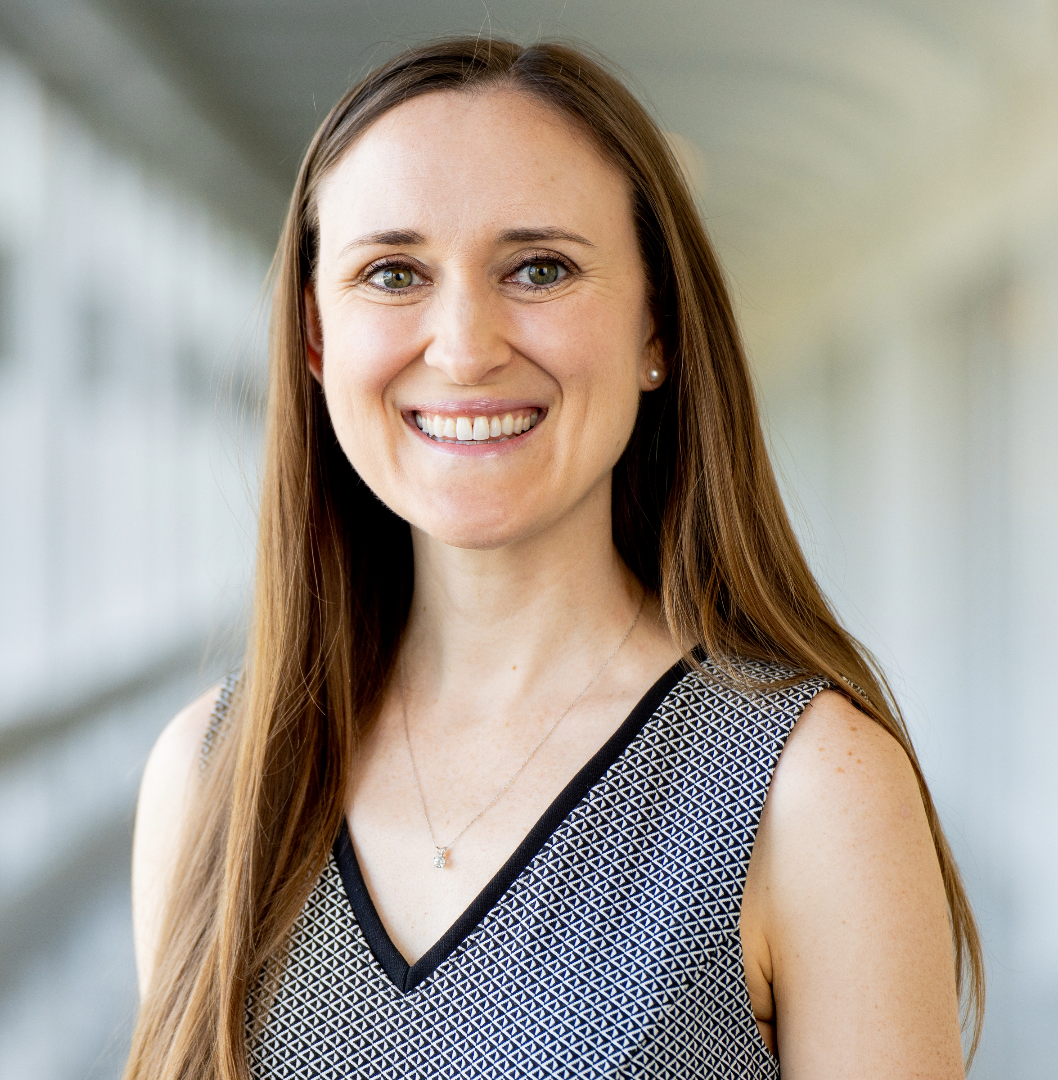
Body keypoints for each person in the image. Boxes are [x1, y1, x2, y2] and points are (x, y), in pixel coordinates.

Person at [125, 38, 982, 1080]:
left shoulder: (811, 791)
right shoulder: (212, 778)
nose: (463, 348)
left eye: (540, 268)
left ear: (656, 326)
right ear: (315, 339)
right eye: (392, 274)